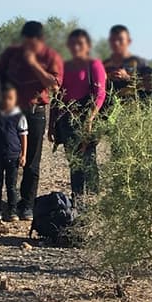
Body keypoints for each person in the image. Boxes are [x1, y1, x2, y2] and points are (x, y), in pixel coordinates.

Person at [0, 21, 62, 220]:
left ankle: (28, 204)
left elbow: (54, 86)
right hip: (12, 112)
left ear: (40, 41)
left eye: (31, 43)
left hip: (35, 111)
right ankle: (8, 203)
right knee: (8, 156)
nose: (27, 46)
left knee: (31, 160)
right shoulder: (12, 53)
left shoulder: (50, 57)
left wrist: (33, 64)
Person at [52, 29, 107, 197]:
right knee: (74, 163)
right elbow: (58, 96)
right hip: (67, 119)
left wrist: (89, 119)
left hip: (87, 118)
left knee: (88, 160)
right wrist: (51, 125)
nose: (76, 47)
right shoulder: (64, 66)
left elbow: (100, 94)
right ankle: (78, 202)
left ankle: (93, 205)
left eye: (80, 44)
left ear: (88, 45)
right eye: (73, 44)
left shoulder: (94, 64)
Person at [0, 84, 28, 222]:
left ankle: (12, 210)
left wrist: (23, 154)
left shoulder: (19, 116)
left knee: (11, 185)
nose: (6, 101)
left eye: (10, 98)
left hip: (12, 155)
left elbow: (23, 135)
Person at [103, 24, 152, 102]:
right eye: (113, 40)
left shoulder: (140, 63)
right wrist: (107, 78)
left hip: (132, 110)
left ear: (129, 41)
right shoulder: (104, 65)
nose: (116, 43)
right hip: (108, 111)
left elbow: (150, 85)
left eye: (120, 39)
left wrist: (127, 78)